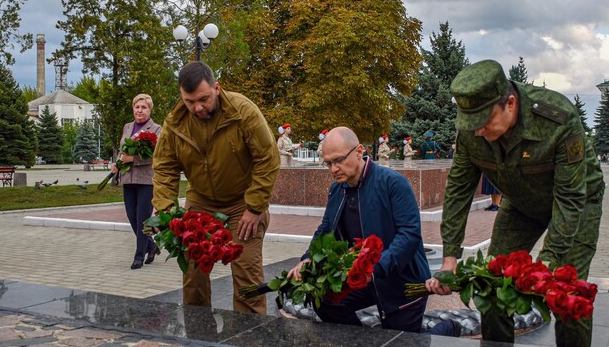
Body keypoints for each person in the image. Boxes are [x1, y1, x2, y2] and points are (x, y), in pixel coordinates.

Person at [427, 60, 604, 347]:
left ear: (510, 103)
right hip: (521, 204)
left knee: (567, 291)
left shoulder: (557, 119)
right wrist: (450, 257)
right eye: (471, 124)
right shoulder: (473, 131)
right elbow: (458, 191)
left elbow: (570, 197)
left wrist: (549, 261)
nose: (479, 131)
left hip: (579, 204)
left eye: (485, 121)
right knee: (493, 282)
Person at [152, 61, 280, 314]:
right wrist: (166, 210)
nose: (197, 107)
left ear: (217, 88)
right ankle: (198, 337)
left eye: (204, 99)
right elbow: (164, 167)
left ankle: (250, 339)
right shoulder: (175, 123)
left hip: (242, 204)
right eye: (190, 101)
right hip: (199, 203)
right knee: (193, 275)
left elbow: (268, 158)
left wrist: (254, 207)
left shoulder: (243, 112)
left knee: (247, 276)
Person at [285, 127, 430, 332]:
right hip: (363, 278)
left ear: (359, 151)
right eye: (328, 163)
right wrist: (308, 258)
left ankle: (447, 329)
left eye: (339, 160)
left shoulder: (393, 183)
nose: (334, 169)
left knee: (401, 341)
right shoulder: (337, 188)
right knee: (326, 301)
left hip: (402, 283)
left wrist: (375, 269)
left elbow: (409, 236)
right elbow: (326, 229)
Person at [114, 94, 162, 270]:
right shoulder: (127, 127)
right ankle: (151, 245)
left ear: (150, 110)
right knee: (132, 217)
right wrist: (118, 164)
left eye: (144, 107)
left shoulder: (157, 129)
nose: (139, 110)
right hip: (128, 179)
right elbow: (122, 151)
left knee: (142, 219)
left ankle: (139, 256)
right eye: (137, 107)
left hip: (146, 181)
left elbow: (155, 156)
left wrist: (132, 159)